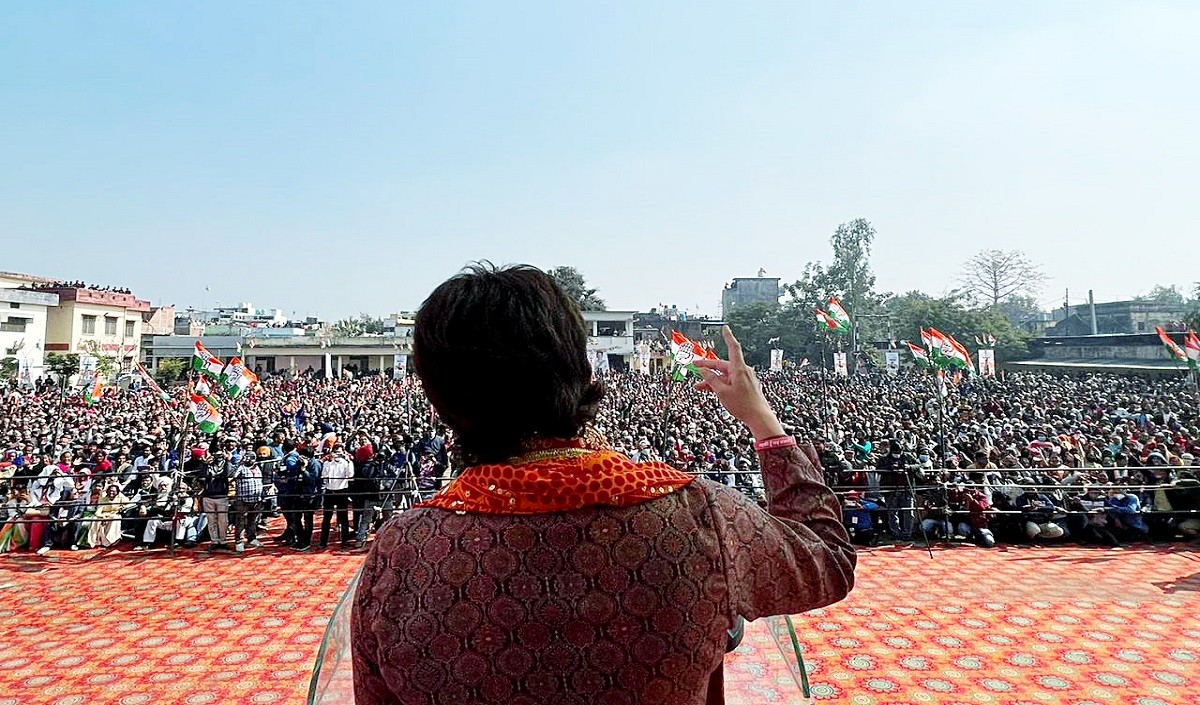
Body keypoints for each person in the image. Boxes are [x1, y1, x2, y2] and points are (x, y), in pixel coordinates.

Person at [351, 264, 855, 705]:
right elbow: (826, 561)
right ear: (579, 370)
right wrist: (765, 424)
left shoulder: (402, 552)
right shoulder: (697, 515)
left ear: (438, 398)